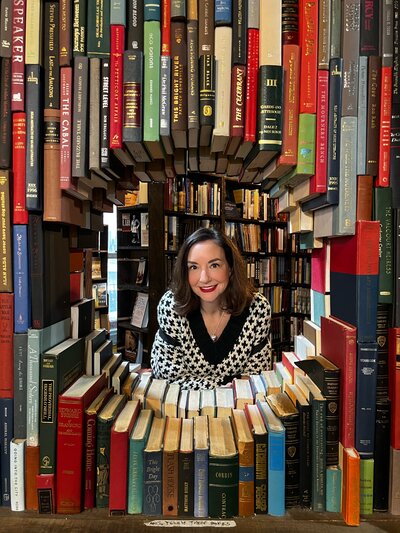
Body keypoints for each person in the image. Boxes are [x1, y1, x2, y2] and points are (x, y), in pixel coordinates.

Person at [151, 227, 272, 389]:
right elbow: (167, 377)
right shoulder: (171, 306)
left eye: (214, 265)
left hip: (238, 410)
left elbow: (256, 380)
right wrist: (226, 384)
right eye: (193, 267)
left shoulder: (258, 309)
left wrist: (197, 383)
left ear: (230, 268)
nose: (204, 278)